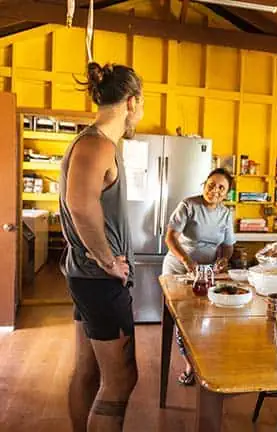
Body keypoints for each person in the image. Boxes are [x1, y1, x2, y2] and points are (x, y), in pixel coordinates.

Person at [60, 62, 144, 432]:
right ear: (132, 102)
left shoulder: (97, 143)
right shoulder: (96, 144)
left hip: (87, 277)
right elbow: (80, 204)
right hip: (99, 280)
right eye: (141, 106)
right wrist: (107, 260)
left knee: (88, 369)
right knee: (121, 380)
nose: (140, 113)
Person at [162, 168, 236, 385]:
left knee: (206, 320)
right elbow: (170, 238)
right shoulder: (189, 205)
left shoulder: (225, 214)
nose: (215, 190)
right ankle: (188, 365)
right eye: (211, 184)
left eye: (221, 188)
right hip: (178, 270)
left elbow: (228, 246)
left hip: (206, 275)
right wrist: (186, 261)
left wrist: (224, 259)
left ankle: (205, 363)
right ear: (204, 184)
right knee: (182, 320)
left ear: (227, 193)